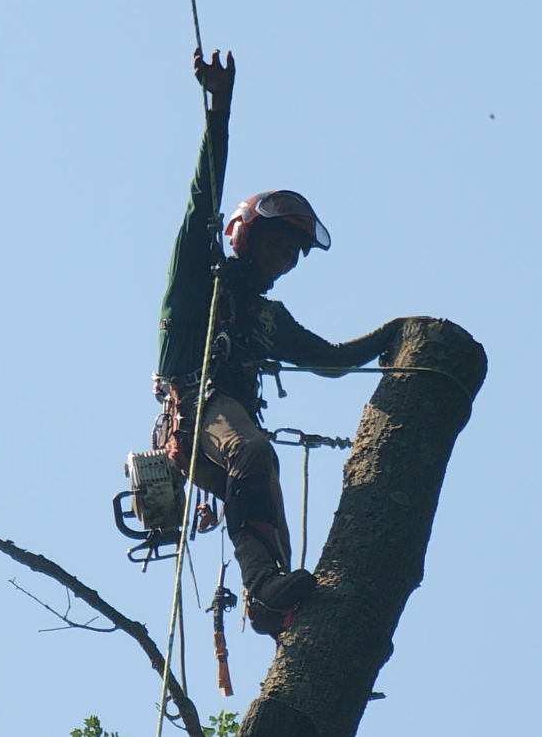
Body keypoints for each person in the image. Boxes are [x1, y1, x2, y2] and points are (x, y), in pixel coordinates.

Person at [155, 48, 404, 637]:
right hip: (197, 410)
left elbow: (334, 360)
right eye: (279, 246)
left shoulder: (268, 318)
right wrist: (221, 108)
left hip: (231, 427)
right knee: (254, 453)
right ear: (248, 233)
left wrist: (392, 336)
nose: (287, 261)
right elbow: (202, 194)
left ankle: (273, 602)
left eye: (295, 255)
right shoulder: (199, 276)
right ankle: (264, 586)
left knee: (264, 488)